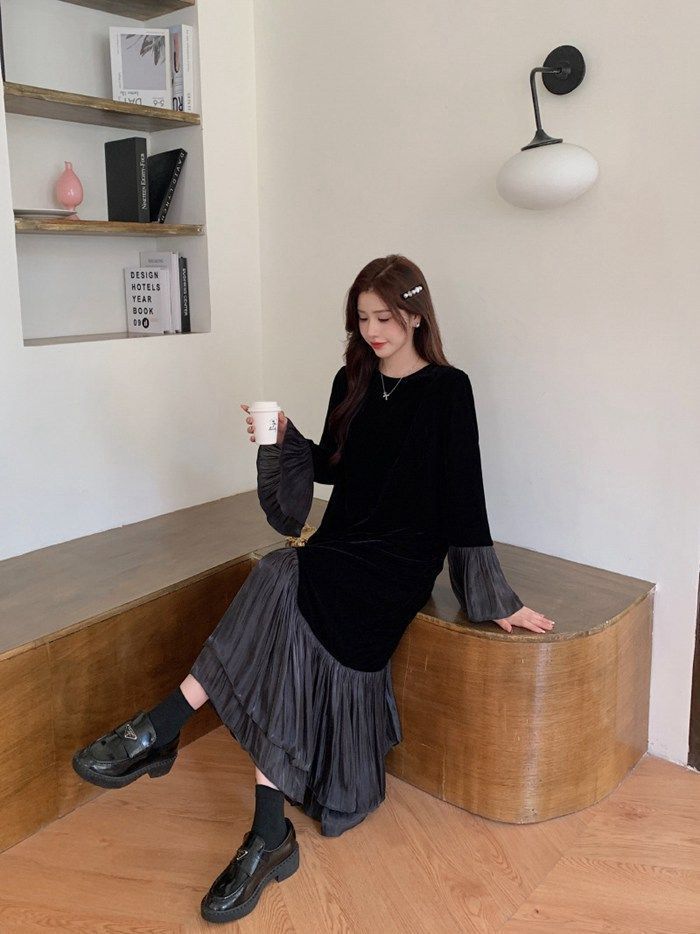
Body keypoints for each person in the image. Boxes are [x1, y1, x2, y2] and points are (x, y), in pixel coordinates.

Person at [72, 254, 556, 924]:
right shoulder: (351, 377)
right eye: (362, 319)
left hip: (399, 561)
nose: (373, 331)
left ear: (416, 315)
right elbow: (333, 465)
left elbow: (463, 496)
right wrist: (282, 437)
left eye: (384, 317)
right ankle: (265, 830)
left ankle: (164, 729)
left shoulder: (449, 389)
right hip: (342, 543)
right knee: (282, 588)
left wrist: (495, 598)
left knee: (279, 576)